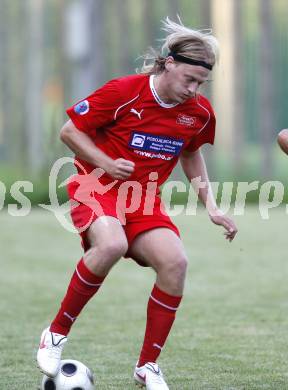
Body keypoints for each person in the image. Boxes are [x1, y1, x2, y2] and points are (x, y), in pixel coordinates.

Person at [37, 17, 237, 390]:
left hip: (143, 199)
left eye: (200, 83)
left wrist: (211, 205)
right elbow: (69, 131)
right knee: (111, 244)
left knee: (176, 263)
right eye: (188, 79)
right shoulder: (124, 91)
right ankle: (56, 334)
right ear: (168, 63)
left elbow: (191, 153)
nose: (193, 89)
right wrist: (106, 163)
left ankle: (147, 367)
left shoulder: (198, 112)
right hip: (95, 184)